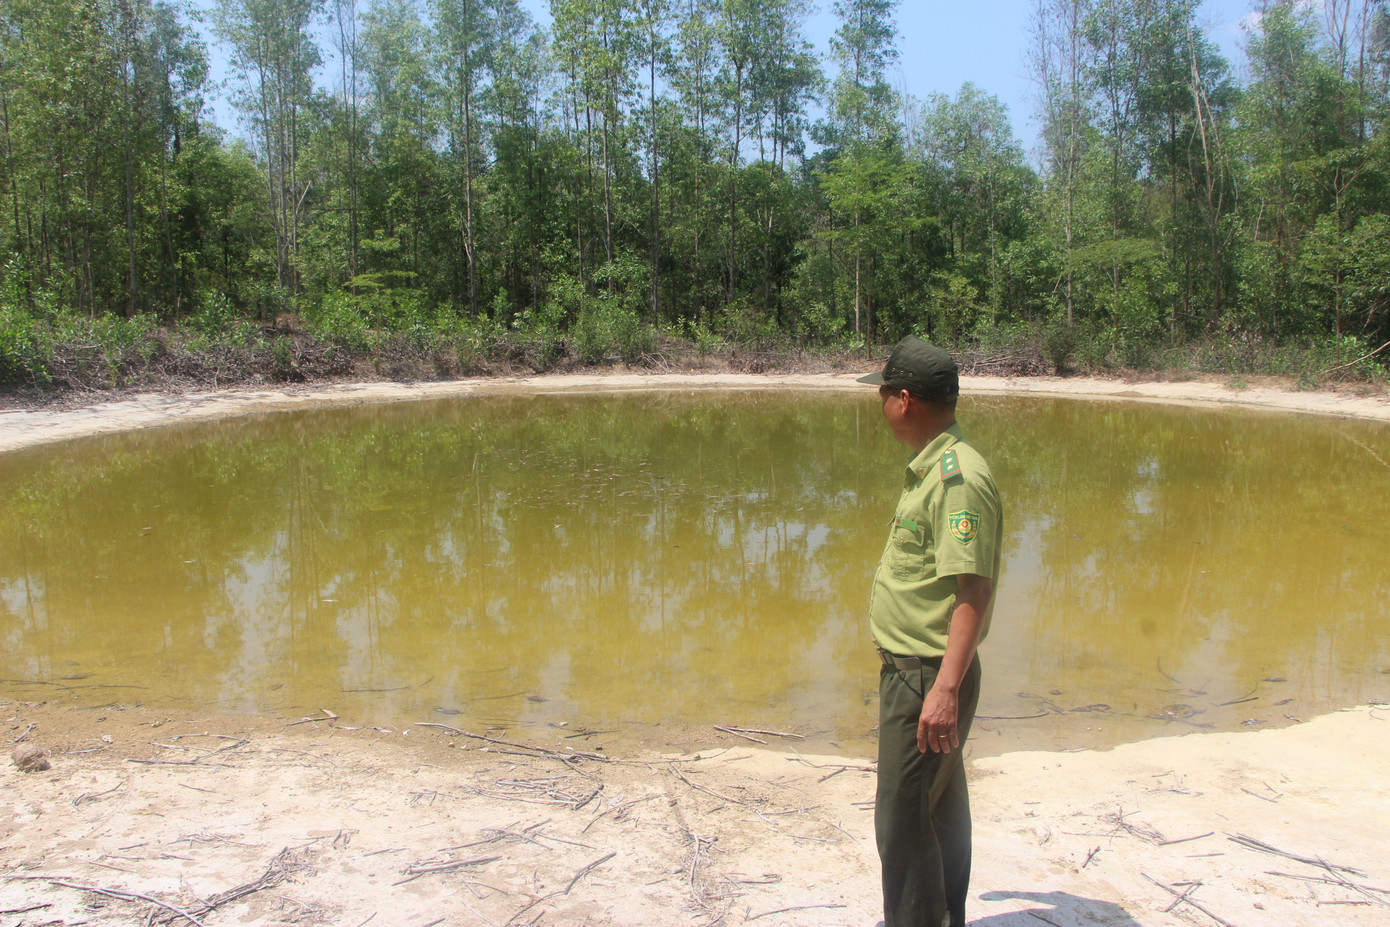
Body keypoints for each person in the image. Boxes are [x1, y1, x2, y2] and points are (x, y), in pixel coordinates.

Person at [857, 336, 1003, 927]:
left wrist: (944, 690)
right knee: (938, 811)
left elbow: (974, 590)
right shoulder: (935, 465)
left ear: (905, 399)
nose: (882, 402)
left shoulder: (956, 479)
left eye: (885, 391)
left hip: (927, 677)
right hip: (920, 673)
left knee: (902, 822)